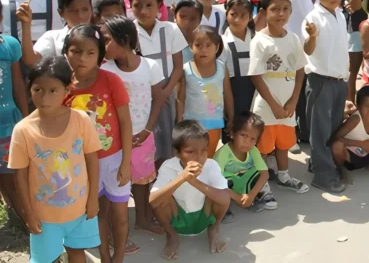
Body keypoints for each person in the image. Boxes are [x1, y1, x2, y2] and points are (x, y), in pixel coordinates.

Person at [9, 56, 100, 263]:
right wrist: (28, 213)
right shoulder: (23, 130)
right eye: (37, 90)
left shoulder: (81, 120)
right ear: (29, 89)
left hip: (80, 209)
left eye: (53, 91)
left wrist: (93, 198)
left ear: (67, 91)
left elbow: (92, 159)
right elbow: (20, 175)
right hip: (44, 216)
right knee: (44, 259)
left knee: (77, 252)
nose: (44, 97)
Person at [63, 24, 132, 263]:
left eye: (91, 53)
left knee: (120, 215)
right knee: (98, 213)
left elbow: (125, 122)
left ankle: (119, 256)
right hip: (83, 164)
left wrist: (126, 162)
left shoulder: (111, 81)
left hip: (114, 159)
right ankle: (104, 255)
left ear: (100, 56)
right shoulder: (61, 87)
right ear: (66, 52)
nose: (83, 58)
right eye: (76, 51)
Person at [100, 16, 166, 238]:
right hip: (114, 140)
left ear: (125, 39)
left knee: (142, 179)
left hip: (142, 136)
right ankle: (110, 230)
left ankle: (142, 219)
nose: (102, 45)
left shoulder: (150, 66)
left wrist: (147, 130)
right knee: (113, 183)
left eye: (107, 40)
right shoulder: (105, 69)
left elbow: (158, 98)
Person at [247, 0, 308, 193]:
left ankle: (284, 175)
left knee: (284, 143)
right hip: (267, 106)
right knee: (263, 146)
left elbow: (300, 70)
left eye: (285, 9)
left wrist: (293, 101)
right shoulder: (259, 41)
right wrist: (273, 105)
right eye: (275, 9)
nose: (281, 14)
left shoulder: (293, 39)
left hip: (288, 103)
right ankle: (261, 185)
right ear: (263, 12)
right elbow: (256, 76)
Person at [149, 120, 230, 259]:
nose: (199, 157)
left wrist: (193, 181)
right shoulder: (169, 167)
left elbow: (225, 199)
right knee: (161, 195)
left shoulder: (211, 166)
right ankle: (171, 235)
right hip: (177, 217)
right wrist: (182, 177)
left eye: (204, 150)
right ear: (177, 153)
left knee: (218, 192)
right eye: (191, 152)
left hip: (203, 215)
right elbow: (153, 201)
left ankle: (214, 228)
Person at [302, 0, 349, 194]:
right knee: (320, 129)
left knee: (332, 128)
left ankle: (320, 162)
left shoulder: (339, 14)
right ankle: (323, 175)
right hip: (321, 79)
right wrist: (312, 37)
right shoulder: (313, 18)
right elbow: (307, 49)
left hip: (339, 79)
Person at [131, 0, 188, 161]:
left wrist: (165, 92)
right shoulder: (130, 32)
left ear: (159, 6)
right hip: (140, 95)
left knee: (166, 138)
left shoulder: (170, 29)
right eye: (137, 6)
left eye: (149, 5)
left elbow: (178, 66)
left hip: (166, 91)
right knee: (145, 140)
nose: (144, 11)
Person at [178, 26, 233, 158]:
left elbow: (228, 94)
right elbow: (181, 97)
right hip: (191, 125)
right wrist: (180, 122)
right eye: (198, 45)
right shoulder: (186, 69)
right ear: (191, 47)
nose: (203, 50)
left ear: (217, 47)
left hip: (214, 123)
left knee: (208, 157)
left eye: (208, 45)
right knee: (192, 158)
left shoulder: (221, 67)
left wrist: (231, 118)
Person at [213, 111, 277, 213]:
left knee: (259, 171)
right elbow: (214, 180)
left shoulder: (253, 151)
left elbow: (265, 174)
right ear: (233, 134)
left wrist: (250, 196)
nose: (247, 142)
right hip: (227, 185)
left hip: (243, 182)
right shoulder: (224, 153)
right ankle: (222, 205)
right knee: (221, 182)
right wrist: (239, 198)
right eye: (244, 135)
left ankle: (263, 195)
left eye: (252, 139)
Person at [19, 0, 92, 66]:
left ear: (91, 9)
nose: (80, 15)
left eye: (85, 10)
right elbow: (30, 59)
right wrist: (26, 24)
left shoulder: (102, 35)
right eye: (73, 11)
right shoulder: (53, 38)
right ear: (61, 12)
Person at [0, 8, 27, 224]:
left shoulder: (9, 45)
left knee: (11, 172)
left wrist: (27, 119)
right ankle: (14, 209)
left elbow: (18, 85)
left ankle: (25, 218)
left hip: (9, 122)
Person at [220, 0, 258, 134]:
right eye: (233, 14)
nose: (237, 20)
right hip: (232, 91)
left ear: (250, 16)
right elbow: (224, 81)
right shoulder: (221, 42)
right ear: (226, 14)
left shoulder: (257, 38)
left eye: (243, 15)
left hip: (256, 90)